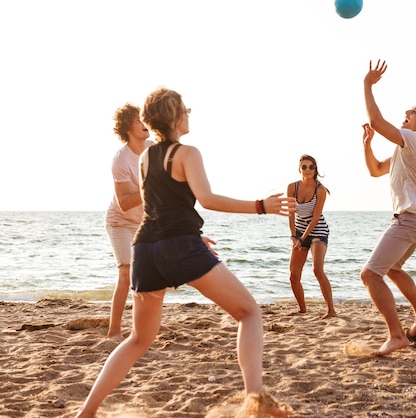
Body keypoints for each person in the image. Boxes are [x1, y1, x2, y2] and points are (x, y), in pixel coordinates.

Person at [76, 88, 294, 418]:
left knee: (138, 339)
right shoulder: (187, 153)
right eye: (186, 110)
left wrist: (194, 235)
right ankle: (256, 403)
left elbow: (158, 209)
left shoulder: (145, 158)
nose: (189, 114)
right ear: (176, 117)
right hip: (179, 246)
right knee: (249, 313)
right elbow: (206, 199)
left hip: (146, 248)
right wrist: (260, 206)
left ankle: (86, 413)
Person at [360, 60, 416, 356]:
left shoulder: (415, 140)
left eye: (414, 112)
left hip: (411, 219)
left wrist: (368, 85)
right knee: (393, 270)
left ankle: (397, 335)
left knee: (370, 275)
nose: (407, 113)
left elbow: (380, 122)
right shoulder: (405, 148)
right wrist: (367, 144)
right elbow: (375, 170)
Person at [104, 103, 153, 341]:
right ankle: (114, 330)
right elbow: (124, 202)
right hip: (120, 222)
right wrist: (149, 187)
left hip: (145, 221)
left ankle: (149, 325)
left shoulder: (154, 150)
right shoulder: (121, 160)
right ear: (127, 128)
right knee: (126, 273)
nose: (145, 124)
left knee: (149, 273)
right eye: (138, 121)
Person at [287, 155, 336, 319]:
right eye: (304, 167)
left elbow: (315, 218)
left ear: (316, 169)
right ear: (299, 169)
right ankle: (302, 309)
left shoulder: (320, 190)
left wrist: (302, 238)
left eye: (311, 167)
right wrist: (294, 236)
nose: (308, 170)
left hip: (318, 231)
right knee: (294, 275)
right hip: (300, 232)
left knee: (317, 270)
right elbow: (291, 214)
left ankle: (331, 310)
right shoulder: (291, 187)